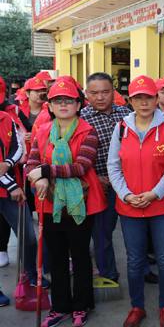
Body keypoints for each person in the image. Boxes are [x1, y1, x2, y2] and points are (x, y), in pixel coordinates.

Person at [26, 81, 107, 327]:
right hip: (50, 203)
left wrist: (45, 171)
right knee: (57, 258)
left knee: (80, 256)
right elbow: (31, 164)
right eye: (57, 100)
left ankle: (81, 304)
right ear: (49, 106)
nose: (63, 104)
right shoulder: (42, 131)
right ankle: (60, 307)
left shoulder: (88, 131)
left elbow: (81, 166)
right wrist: (38, 178)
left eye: (69, 100)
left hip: (81, 202)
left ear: (78, 105)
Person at [107, 76, 164, 327]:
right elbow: (113, 166)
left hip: (162, 205)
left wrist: (154, 193)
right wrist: (126, 194)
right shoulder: (121, 128)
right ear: (130, 101)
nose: (144, 102)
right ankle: (137, 307)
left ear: (156, 98)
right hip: (129, 206)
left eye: (148, 97)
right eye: (138, 98)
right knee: (134, 260)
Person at [81, 72, 131, 285]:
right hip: (101, 188)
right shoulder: (80, 119)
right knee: (102, 236)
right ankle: (109, 276)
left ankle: (142, 270)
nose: (100, 97)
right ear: (86, 93)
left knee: (135, 234)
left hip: (130, 185)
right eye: (94, 93)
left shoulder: (127, 114)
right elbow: (74, 156)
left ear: (113, 92)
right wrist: (93, 178)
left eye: (105, 92)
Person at [0, 107, 44, 306]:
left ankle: (30, 276)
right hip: (12, 187)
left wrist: (8, 163)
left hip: (12, 187)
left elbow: (18, 146)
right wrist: (10, 185)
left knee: (27, 236)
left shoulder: (6, 118)